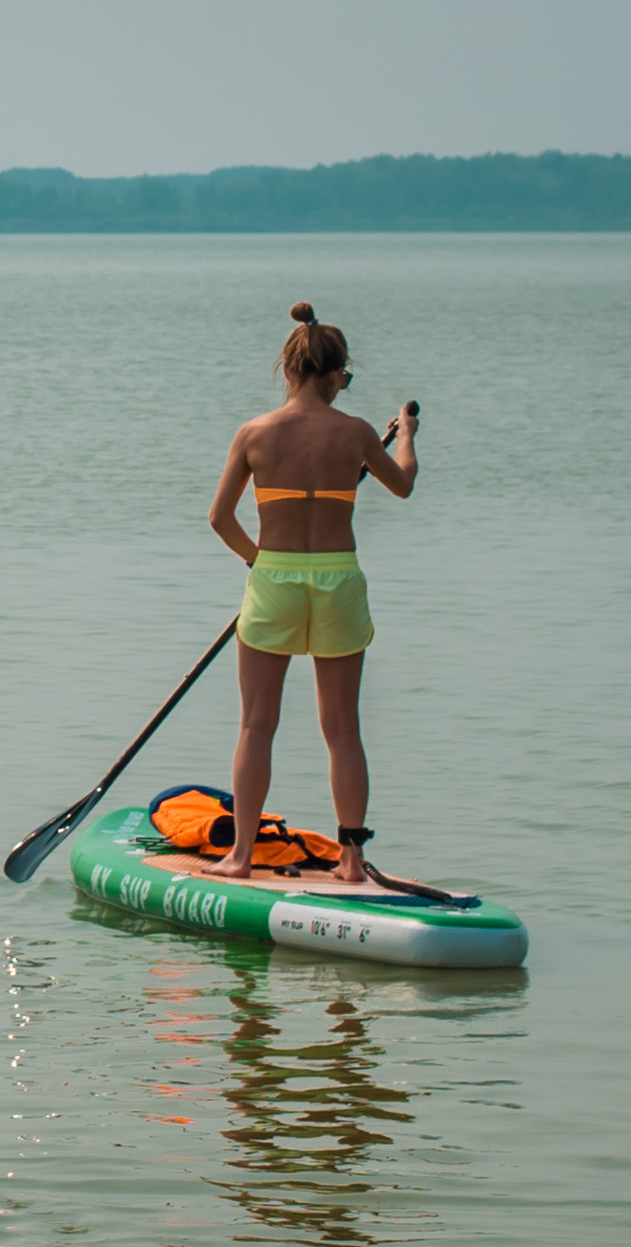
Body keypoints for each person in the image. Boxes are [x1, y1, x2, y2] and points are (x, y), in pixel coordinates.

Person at [202, 301, 418, 884]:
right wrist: (407, 439)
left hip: (273, 578)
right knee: (343, 728)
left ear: (289, 370)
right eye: (346, 378)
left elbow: (220, 518)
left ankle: (241, 855)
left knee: (256, 725)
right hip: (338, 578)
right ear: (332, 374)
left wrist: (260, 564)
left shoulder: (255, 433)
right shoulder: (356, 434)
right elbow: (403, 486)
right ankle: (351, 860)